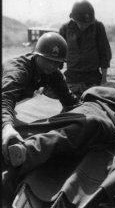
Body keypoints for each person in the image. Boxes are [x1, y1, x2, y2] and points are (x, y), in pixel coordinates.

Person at [5, 68, 115, 176]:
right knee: (52, 122)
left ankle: (28, 150)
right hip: (87, 109)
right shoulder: (108, 87)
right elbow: (88, 95)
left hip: (102, 118)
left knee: (82, 126)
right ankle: (14, 142)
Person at [2, 32, 80, 164]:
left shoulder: (52, 72)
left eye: (57, 63)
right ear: (37, 55)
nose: (53, 66)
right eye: (49, 60)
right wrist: (6, 126)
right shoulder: (19, 70)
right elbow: (5, 99)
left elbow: (69, 100)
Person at [59, 0, 112, 98]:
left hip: (92, 77)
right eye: (81, 23)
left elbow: (104, 53)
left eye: (87, 24)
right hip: (72, 77)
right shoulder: (65, 29)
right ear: (73, 19)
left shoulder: (98, 27)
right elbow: (58, 56)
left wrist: (104, 79)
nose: (84, 26)